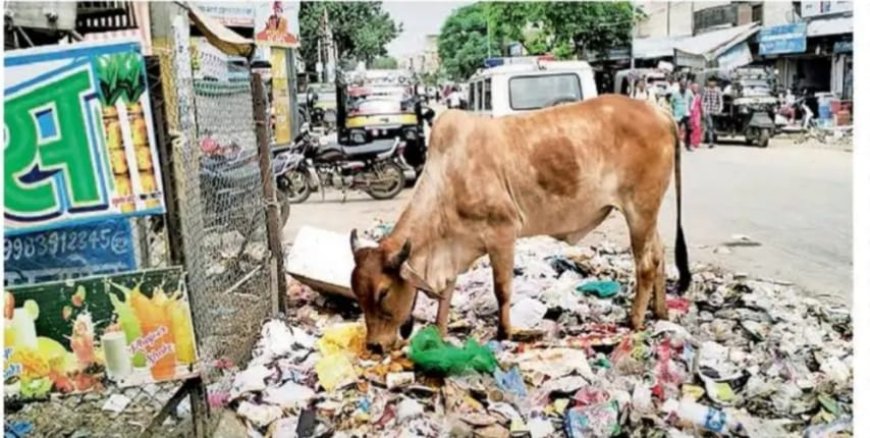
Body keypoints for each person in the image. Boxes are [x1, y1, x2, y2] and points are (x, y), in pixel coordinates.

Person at [670, 78, 694, 151]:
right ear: (679, 86)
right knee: (676, 131)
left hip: (686, 113)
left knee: (689, 129)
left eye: (684, 86)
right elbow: (671, 102)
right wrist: (674, 109)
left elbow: (692, 99)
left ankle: (688, 145)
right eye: (681, 86)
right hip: (678, 114)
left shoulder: (689, 92)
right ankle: (675, 145)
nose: (683, 87)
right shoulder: (675, 94)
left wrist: (690, 107)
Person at [702, 78, 723, 148]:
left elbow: (720, 101)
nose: (711, 83)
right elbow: (703, 100)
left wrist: (720, 109)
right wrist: (704, 110)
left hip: (715, 111)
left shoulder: (718, 90)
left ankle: (714, 139)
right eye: (710, 82)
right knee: (710, 126)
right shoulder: (706, 90)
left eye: (713, 82)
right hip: (708, 111)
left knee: (714, 126)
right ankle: (711, 141)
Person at [689, 83, 703, 150]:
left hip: (697, 112)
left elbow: (700, 105)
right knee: (690, 127)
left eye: (696, 88)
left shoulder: (699, 96)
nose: (695, 89)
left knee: (697, 127)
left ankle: (696, 142)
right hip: (690, 112)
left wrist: (702, 113)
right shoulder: (689, 95)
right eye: (694, 87)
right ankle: (690, 142)